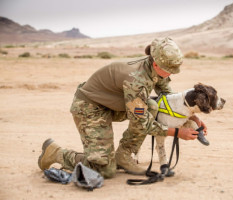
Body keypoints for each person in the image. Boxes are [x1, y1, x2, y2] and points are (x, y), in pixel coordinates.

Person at [38, 37, 204, 179]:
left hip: (112, 105)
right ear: (156, 64)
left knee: (152, 106)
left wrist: (189, 116)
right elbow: (141, 123)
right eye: (169, 70)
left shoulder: (155, 68)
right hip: (89, 108)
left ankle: (124, 155)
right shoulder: (136, 80)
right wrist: (177, 132)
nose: (172, 73)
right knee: (104, 170)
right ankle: (57, 153)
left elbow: (167, 96)